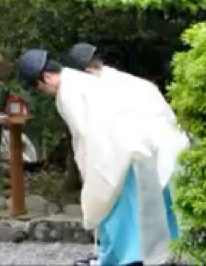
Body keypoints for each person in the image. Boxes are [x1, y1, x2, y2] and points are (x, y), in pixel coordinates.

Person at [18, 49, 178, 266]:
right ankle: (134, 255)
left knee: (116, 208)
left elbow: (88, 134)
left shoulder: (70, 91)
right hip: (136, 148)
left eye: (39, 88)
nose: (44, 92)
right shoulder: (82, 82)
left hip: (119, 154)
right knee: (134, 210)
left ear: (46, 78)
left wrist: (92, 171)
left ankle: (123, 258)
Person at [64, 43, 187, 266]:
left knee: (123, 214)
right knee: (159, 212)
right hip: (160, 151)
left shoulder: (102, 89)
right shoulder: (131, 83)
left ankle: (124, 257)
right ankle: (163, 254)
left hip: (130, 158)